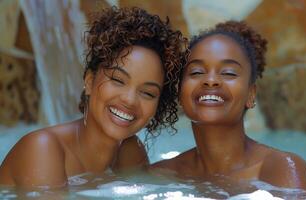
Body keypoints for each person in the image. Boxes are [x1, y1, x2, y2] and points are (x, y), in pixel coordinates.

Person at [0, 6, 186, 188]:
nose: (129, 100)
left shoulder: (129, 152)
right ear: (89, 81)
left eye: (147, 93)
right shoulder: (42, 149)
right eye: (117, 80)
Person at [152, 21, 306, 192]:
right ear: (179, 92)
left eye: (228, 73)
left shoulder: (278, 170)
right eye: (197, 72)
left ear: (251, 94)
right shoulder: (162, 175)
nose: (211, 80)